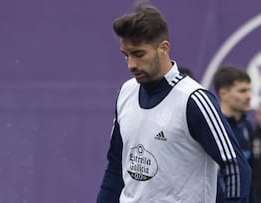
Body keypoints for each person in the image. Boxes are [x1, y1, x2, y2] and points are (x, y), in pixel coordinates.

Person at [96, 1, 252, 202]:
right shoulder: (126, 92)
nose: (131, 64)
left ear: (164, 48)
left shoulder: (194, 99)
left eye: (139, 54)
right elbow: (116, 166)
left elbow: (235, 166)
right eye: (126, 55)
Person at [213, 66, 254, 202]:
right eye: (242, 91)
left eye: (249, 90)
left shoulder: (247, 127)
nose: (248, 96)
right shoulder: (213, 127)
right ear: (223, 94)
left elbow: (249, 172)